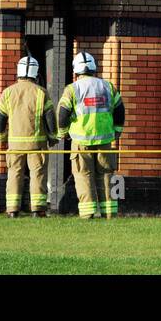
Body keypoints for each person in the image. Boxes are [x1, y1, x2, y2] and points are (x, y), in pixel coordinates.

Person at [56, 52, 126, 219]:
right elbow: (120, 110)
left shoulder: (73, 89)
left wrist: (62, 133)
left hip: (81, 142)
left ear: (75, 71)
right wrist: (117, 131)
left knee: (83, 175)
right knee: (106, 175)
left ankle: (87, 214)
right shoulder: (108, 87)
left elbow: (63, 113)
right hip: (105, 140)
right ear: (95, 69)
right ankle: (110, 213)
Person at [0, 56, 55, 217]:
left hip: (15, 146)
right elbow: (50, 118)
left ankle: (13, 210)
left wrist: (1, 138)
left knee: (14, 174)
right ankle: (38, 209)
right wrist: (53, 137)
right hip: (37, 145)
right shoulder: (41, 92)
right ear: (35, 73)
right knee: (38, 175)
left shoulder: (8, 93)